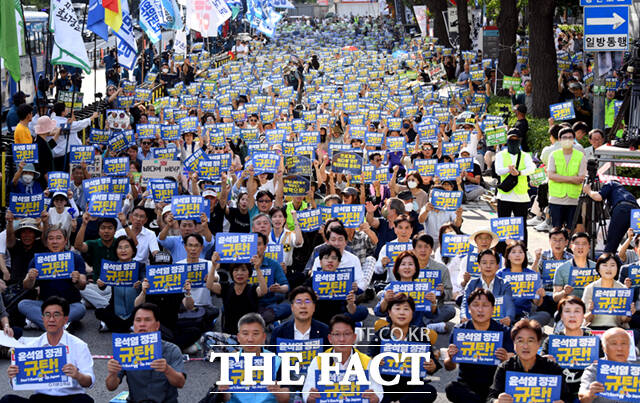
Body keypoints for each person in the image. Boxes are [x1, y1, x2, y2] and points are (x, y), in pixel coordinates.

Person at [3, 296, 95, 403]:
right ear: (42, 319)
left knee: (85, 401)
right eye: (47, 315)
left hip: (70, 397)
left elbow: (89, 382)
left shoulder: (79, 345)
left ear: (65, 319)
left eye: (56, 315)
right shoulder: (32, 346)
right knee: (7, 400)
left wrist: (78, 375)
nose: (51, 319)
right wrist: (13, 376)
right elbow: (17, 382)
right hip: (41, 399)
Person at [105, 303, 186, 403]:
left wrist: (167, 370)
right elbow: (111, 387)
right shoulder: (125, 348)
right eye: (138, 320)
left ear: (157, 325)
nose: (142, 324)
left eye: (147, 320)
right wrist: (112, 373)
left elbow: (180, 383)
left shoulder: (171, 349)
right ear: (133, 325)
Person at [445, 289, 514, 403]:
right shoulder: (460, 331)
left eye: (485, 305)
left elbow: (515, 362)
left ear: (493, 309)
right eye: (475, 305)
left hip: (494, 386)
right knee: (451, 388)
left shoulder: (504, 331)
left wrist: (506, 358)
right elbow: (449, 366)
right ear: (469, 309)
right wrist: (451, 358)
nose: (480, 310)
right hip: (467, 385)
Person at [369, 294, 441, 403]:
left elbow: (432, 363)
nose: (402, 313)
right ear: (389, 312)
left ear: (412, 313)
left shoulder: (420, 334)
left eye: (406, 309)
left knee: (429, 391)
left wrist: (432, 366)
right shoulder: (381, 334)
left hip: (411, 387)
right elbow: (369, 358)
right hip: (385, 386)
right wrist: (375, 361)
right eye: (397, 309)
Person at [487, 318, 572, 403]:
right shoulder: (505, 368)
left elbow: (567, 397)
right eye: (520, 341)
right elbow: (490, 398)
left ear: (539, 343)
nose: (525, 346)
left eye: (530, 341)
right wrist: (497, 401)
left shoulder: (552, 368)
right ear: (514, 344)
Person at [302, 315, 383, 403]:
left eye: (347, 334)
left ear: (354, 337)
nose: (342, 339)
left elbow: (378, 391)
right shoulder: (318, 361)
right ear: (330, 339)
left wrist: (375, 398)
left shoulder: (367, 361)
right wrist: (310, 397)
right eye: (337, 334)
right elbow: (306, 391)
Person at [19, 225, 87, 330]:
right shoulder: (38, 260)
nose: (54, 242)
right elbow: (26, 286)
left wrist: (77, 279)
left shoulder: (75, 258)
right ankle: (60, 325)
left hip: (69, 305)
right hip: (45, 305)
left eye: (58, 238)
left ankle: (45, 324)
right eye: (51, 238)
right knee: (23, 304)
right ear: (46, 242)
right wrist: (30, 278)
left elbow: (82, 285)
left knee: (81, 308)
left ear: (65, 241)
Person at [541, 296, 604, 400]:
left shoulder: (594, 341)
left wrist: (600, 364)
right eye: (567, 311)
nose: (572, 315)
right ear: (561, 316)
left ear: (583, 315)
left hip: (586, 393)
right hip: (559, 394)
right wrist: (544, 362)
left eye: (577, 311)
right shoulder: (551, 341)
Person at [217, 313, 290, 403]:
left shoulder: (277, 361)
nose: (250, 339)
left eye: (255, 334)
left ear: (263, 337)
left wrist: (277, 391)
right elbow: (226, 399)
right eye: (245, 334)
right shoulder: (230, 361)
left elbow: (285, 399)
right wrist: (223, 390)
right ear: (239, 338)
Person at [74, 213, 127, 310]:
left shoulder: (120, 243)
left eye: (110, 228)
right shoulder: (94, 243)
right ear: (98, 231)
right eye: (103, 228)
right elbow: (78, 246)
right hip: (96, 286)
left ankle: (100, 303)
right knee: (80, 288)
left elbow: (134, 244)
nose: (106, 231)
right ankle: (107, 305)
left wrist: (125, 224)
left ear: (115, 231)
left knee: (83, 303)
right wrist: (84, 224)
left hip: (115, 286)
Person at [305, 245, 368, 324]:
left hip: (340, 317)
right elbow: (301, 305)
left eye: (334, 258)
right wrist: (310, 299)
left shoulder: (345, 280)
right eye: (326, 258)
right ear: (320, 262)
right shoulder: (312, 281)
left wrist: (351, 303)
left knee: (362, 310)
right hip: (318, 318)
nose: (330, 261)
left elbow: (351, 311)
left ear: (338, 263)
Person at [208, 253, 268, 335]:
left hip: (249, 334)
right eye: (236, 270)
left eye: (243, 270)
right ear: (232, 273)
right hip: (229, 334)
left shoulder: (253, 289)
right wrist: (213, 266)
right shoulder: (226, 287)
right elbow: (209, 285)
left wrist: (257, 269)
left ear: (249, 273)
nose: (239, 273)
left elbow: (264, 290)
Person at [494, 129, 535, 244]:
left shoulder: (525, 155)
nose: (513, 141)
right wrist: (509, 169)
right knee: (502, 225)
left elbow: (531, 168)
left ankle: (523, 249)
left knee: (521, 226)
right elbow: (498, 171)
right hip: (504, 195)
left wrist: (519, 172)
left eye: (516, 139)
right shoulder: (500, 155)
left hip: (521, 196)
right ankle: (502, 250)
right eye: (511, 139)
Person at [94, 236, 143, 332]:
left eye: (126, 247)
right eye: (120, 247)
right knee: (99, 312)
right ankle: (130, 326)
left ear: (133, 251)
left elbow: (144, 280)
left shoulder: (140, 266)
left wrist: (140, 283)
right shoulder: (111, 266)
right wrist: (101, 283)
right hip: (115, 306)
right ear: (116, 251)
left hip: (135, 306)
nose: (123, 250)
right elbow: (103, 287)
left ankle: (113, 325)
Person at [497, 241, 551, 326]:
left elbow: (537, 303)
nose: (517, 255)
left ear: (525, 255)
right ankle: (522, 326)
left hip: (524, 314)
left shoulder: (531, 274)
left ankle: (519, 325)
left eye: (521, 252)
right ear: (508, 256)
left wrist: (540, 296)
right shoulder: (500, 274)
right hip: (505, 314)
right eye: (514, 252)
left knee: (545, 316)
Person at [460, 249, 515, 327]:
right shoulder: (472, 284)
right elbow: (465, 304)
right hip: (477, 323)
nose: (488, 266)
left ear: (497, 266)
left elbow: (509, 305)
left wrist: (509, 317)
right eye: (484, 263)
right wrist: (463, 316)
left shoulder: (505, 284)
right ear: (479, 266)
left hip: (498, 323)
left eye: (492, 263)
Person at [583, 180, 640, 254]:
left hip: (622, 209)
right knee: (636, 240)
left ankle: (607, 261)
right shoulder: (624, 192)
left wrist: (588, 191)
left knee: (611, 244)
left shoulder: (611, 183)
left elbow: (598, 197)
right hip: (636, 211)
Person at [578, 327, 633, 403]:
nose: (620, 348)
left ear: (629, 347)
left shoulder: (636, 370)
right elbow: (582, 397)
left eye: (624, 343)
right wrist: (590, 394)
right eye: (614, 343)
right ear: (604, 347)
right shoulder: (594, 369)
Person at [582, 253, 635, 330]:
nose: (609, 269)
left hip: (616, 329)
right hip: (593, 328)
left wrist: (629, 313)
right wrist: (592, 311)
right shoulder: (590, 288)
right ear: (598, 269)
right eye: (604, 265)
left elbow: (624, 320)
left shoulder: (623, 289)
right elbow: (586, 318)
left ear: (617, 268)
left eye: (613, 265)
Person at [547, 127, 586, 229]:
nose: (567, 140)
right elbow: (551, 175)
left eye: (570, 137)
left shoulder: (580, 156)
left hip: (573, 199)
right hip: (556, 199)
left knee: (572, 230)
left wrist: (559, 177)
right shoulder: (554, 155)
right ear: (559, 139)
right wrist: (572, 179)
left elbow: (581, 178)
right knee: (556, 229)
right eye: (564, 138)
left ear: (574, 140)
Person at [450, 228, 499, 300]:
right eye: (480, 238)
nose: (484, 241)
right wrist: (464, 281)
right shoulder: (467, 259)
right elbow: (460, 281)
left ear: (491, 240)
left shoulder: (499, 259)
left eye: (487, 238)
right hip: (472, 294)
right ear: (475, 241)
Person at [553, 232, 596, 301]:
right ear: (571, 246)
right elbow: (555, 298)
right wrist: (564, 292)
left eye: (584, 244)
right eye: (577, 243)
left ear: (589, 246)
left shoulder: (597, 268)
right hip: (570, 308)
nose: (580, 247)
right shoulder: (561, 268)